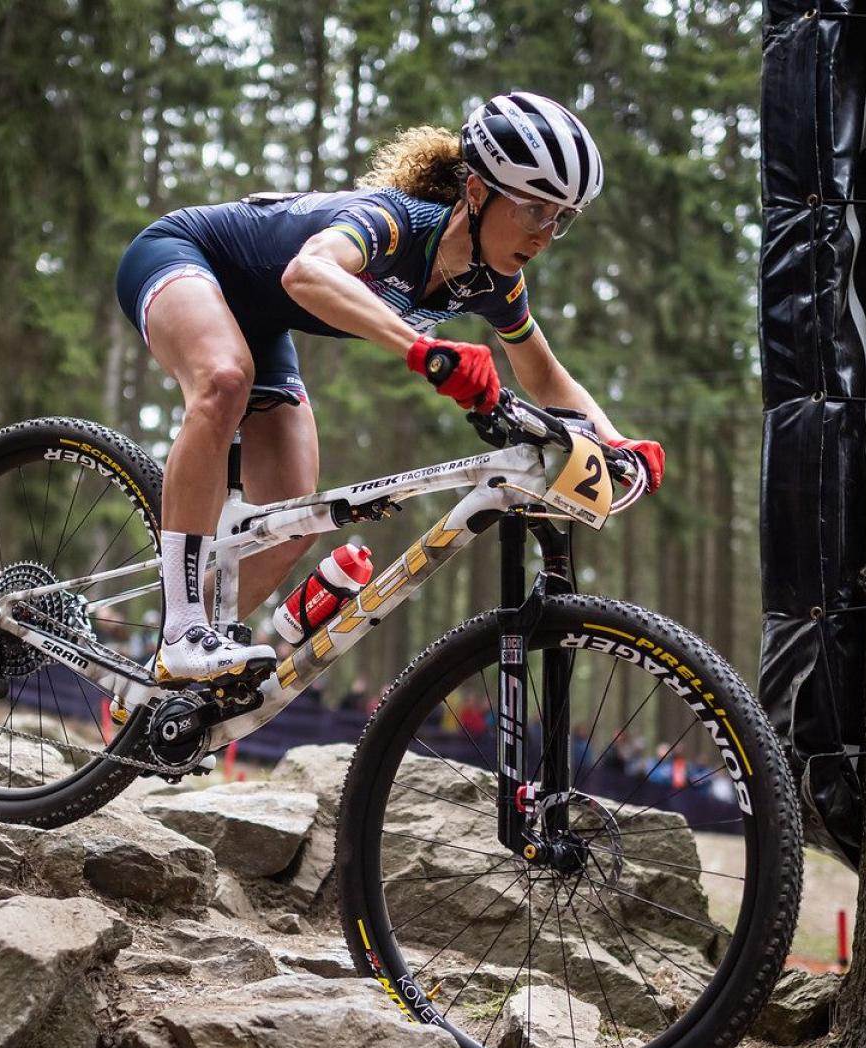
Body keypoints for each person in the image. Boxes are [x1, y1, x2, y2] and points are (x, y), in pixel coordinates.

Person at [114, 91, 666, 685]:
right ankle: (180, 635)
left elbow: (543, 371)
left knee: (292, 518)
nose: (545, 233)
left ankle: (164, 682)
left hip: (259, 322)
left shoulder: (495, 282)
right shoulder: (395, 223)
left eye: (562, 218)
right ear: (476, 192)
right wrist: (421, 349)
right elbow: (307, 272)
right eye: (535, 208)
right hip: (181, 256)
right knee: (224, 381)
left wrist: (615, 442)